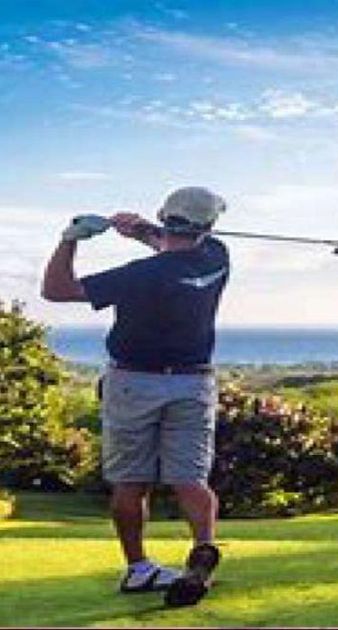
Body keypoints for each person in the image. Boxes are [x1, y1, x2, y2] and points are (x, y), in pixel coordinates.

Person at [41, 186, 230, 607]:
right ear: (208, 226)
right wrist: (141, 230)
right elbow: (172, 246)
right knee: (190, 479)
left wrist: (70, 240)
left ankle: (139, 570)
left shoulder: (137, 275)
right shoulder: (217, 257)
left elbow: (56, 290)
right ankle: (203, 548)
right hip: (193, 382)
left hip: (133, 383)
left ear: (165, 218)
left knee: (130, 481)